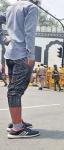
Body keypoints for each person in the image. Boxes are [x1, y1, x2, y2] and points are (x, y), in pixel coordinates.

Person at [3, 0, 40, 139]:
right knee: (16, 91)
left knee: (15, 90)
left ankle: (17, 121)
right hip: (22, 55)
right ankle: (17, 128)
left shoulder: (10, 8)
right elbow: (29, 33)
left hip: (10, 54)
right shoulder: (31, 7)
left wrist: (4, 39)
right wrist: (31, 55)